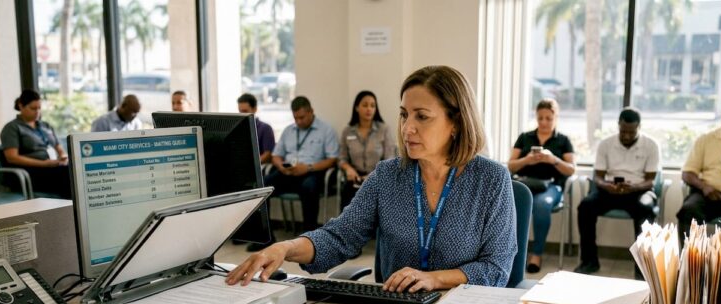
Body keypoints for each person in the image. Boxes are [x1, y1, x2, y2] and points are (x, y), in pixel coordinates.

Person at [227, 65, 517, 292]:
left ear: (456, 122)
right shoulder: (389, 176)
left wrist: (433, 279)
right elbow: (340, 237)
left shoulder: (492, 180)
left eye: (422, 117)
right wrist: (286, 247)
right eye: (404, 115)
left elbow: (496, 268)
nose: (407, 128)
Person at [575, 107, 659, 275]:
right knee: (585, 207)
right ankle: (589, 261)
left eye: (631, 132)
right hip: (610, 190)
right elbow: (598, 177)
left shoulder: (651, 145)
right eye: (623, 131)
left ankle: (642, 268)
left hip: (638, 190)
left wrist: (633, 187)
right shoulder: (606, 144)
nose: (627, 135)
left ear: (639, 127)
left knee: (646, 209)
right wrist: (606, 186)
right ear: (618, 125)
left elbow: (650, 181)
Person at [507, 98, 575, 273]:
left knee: (541, 205)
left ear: (556, 118)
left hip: (551, 186)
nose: (544, 122)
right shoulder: (525, 137)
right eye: (540, 118)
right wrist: (528, 159)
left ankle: (536, 254)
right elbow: (511, 166)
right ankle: (511, 252)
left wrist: (553, 160)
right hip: (525, 183)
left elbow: (570, 170)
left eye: (548, 118)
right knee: (512, 203)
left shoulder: (563, 140)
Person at [265, 96, 339, 234]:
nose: (298, 121)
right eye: (295, 118)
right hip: (288, 172)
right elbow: (276, 155)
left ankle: (309, 236)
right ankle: (265, 236)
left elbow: (332, 159)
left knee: (308, 187)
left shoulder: (326, 130)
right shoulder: (288, 130)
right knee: (263, 186)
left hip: (313, 172)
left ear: (311, 111)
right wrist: (281, 166)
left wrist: (308, 168)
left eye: (302, 117)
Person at [677, 97, 721, 241]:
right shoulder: (706, 139)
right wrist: (704, 187)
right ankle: (691, 260)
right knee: (688, 210)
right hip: (709, 194)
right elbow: (688, 173)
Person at [0, 89, 71, 199]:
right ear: (21, 106)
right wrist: (45, 164)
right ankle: (70, 210)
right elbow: (12, 158)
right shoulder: (12, 128)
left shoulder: (45, 125)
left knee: (73, 171)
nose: (37, 112)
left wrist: (63, 157)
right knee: (69, 175)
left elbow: (58, 147)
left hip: (54, 168)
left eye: (39, 108)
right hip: (32, 172)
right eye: (33, 108)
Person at [338, 90, 396, 208]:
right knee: (347, 209)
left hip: (378, 177)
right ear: (357, 108)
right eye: (365, 105)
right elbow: (342, 158)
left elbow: (390, 159)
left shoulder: (383, 129)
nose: (369, 109)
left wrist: (372, 175)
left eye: (372, 106)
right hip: (355, 178)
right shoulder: (347, 131)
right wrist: (348, 169)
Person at [238, 93, 276, 164]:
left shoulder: (265, 128)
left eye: (245, 111)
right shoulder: (237, 129)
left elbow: (268, 154)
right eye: (240, 111)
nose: (242, 115)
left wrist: (253, 164)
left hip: (258, 166)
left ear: (254, 109)